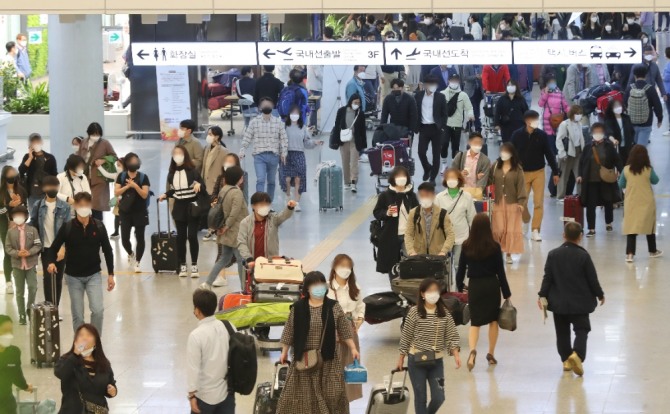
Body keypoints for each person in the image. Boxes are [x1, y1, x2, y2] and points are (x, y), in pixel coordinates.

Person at [277, 271, 358, 414]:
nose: (319, 287)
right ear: (307, 288)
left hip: (327, 360)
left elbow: (344, 330)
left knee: (332, 395)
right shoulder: (298, 307)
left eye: (321, 283)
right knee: (300, 398)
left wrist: (353, 348)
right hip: (303, 360)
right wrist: (284, 352)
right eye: (314, 284)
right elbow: (289, 330)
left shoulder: (333, 307)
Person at [538, 221, 605, 376]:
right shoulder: (583, 256)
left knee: (562, 333)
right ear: (580, 237)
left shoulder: (553, 255)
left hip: (559, 303)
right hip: (580, 303)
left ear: (564, 235)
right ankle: (578, 355)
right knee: (582, 329)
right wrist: (600, 294)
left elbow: (547, 278)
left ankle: (566, 361)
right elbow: (592, 279)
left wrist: (542, 295)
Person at [47, 192, 114, 334]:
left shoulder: (99, 226)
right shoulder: (67, 227)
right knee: (78, 315)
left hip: (93, 275)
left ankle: (94, 342)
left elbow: (108, 251)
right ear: (75, 206)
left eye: (86, 205)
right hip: (73, 277)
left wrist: (111, 274)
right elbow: (53, 248)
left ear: (91, 206)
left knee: (98, 310)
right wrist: (51, 262)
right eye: (80, 205)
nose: (83, 208)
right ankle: (80, 346)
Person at [397, 278, 461, 414]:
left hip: (437, 362)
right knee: (420, 398)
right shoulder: (414, 312)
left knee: (439, 397)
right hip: (416, 360)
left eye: (436, 291)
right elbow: (406, 335)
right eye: (430, 291)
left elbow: (452, 334)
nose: (434, 294)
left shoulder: (444, 313)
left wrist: (456, 354)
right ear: (422, 294)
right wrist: (401, 357)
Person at [457, 213, 511, 371]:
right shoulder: (494, 247)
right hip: (491, 286)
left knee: (475, 322)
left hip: (475, 286)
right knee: (493, 320)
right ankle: (491, 353)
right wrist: (506, 292)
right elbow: (500, 272)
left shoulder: (467, 246)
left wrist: (460, 286)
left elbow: (460, 270)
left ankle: (473, 351)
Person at [511, 110, 560, 242]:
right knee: (522, 202)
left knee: (539, 202)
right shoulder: (517, 135)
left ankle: (535, 230)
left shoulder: (542, 135)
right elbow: (511, 153)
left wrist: (556, 172)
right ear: (527, 121)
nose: (537, 122)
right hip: (522, 173)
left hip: (539, 172)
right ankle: (526, 220)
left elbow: (549, 153)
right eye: (534, 119)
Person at [187, 289, 236, 413]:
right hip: (227, 394)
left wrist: (192, 395)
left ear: (197, 310)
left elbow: (193, 368)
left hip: (204, 397)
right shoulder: (228, 326)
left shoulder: (196, 335)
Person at [158, 146, 204, 277]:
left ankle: (194, 265)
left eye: (180, 153)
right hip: (179, 207)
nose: (177, 155)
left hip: (192, 206)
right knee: (181, 237)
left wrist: (198, 185)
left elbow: (202, 185)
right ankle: (183, 264)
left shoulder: (192, 171)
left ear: (185, 155)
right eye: (175, 153)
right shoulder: (171, 173)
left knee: (192, 236)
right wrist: (166, 194)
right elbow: (175, 190)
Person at [200, 166, 248, 290]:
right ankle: (244, 288)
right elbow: (235, 212)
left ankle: (208, 283)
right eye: (241, 176)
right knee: (240, 260)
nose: (243, 178)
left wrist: (223, 227)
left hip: (225, 230)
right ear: (238, 178)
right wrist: (227, 226)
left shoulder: (224, 189)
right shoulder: (237, 192)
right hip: (236, 231)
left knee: (223, 258)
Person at [326, 254, 365, 402]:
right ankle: (331, 401)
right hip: (331, 329)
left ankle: (345, 404)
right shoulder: (326, 288)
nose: (345, 270)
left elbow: (361, 306)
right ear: (334, 268)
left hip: (350, 329)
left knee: (349, 367)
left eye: (348, 267)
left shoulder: (355, 288)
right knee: (332, 368)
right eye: (342, 266)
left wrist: (359, 320)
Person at [55, 323, 117, 413]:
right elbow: (60, 373)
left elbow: (110, 384)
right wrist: (75, 354)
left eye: (89, 335)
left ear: (95, 341)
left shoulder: (103, 364)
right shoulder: (67, 359)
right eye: (81, 335)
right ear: (75, 340)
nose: (85, 338)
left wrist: (112, 390)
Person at [28, 176, 70, 308]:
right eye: (49, 186)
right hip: (46, 247)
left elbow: (67, 228)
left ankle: (55, 308)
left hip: (60, 248)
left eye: (55, 186)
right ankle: (49, 308)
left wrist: (63, 247)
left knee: (58, 279)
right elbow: (33, 223)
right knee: (48, 277)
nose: (53, 189)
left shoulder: (65, 206)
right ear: (44, 188)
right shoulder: (38, 205)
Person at [577, 123, 623, 237]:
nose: (598, 134)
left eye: (600, 131)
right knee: (590, 205)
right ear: (592, 133)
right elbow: (581, 162)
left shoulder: (609, 146)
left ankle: (608, 222)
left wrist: (621, 171)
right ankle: (591, 228)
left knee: (608, 202)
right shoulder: (588, 146)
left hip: (605, 180)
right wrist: (579, 175)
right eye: (595, 131)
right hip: (591, 181)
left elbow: (617, 160)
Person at [372, 167, 419, 279]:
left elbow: (418, 212)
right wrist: (387, 212)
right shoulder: (385, 195)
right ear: (393, 178)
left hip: (408, 235)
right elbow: (377, 212)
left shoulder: (411, 195)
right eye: (398, 177)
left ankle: (407, 284)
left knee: (410, 260)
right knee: (392, 264)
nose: (401, 179)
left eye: (404, 176)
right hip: (390, 234)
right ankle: (394, 286)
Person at [619, 145, 663, 262]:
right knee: (649, 227)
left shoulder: (626, 169)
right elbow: (656, 180)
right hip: (647, 202)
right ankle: (652, 251)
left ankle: (630, 254)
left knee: (631, 228)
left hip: (631, 202)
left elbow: (621, 184)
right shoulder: (648, 169)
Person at [240, 97, 288, 202]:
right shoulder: (254, 122)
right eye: (264, 104)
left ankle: (268, 203)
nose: (266, 106)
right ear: (260, 107)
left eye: (268, 104)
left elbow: (284, 139)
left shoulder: (278, 122)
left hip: (273, 156)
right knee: (260, 180)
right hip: (259, 156)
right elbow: (247, 137)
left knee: (271, 181)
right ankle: (260, 203)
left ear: (272, 106)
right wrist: (243, 150)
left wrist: (284, 152)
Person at [489, 143, 527, 263]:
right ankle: (498, 252)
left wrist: (521, 202)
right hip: (498, 202)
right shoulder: (495, 166)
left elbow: (521, 186)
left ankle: (509, 254)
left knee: (510, 228)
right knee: (498, 228)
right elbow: (490, 181)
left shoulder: (518, 169)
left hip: (512, 203)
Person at [113, 153, 150, 273]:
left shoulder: (144, 177)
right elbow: (116, 192)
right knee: (124, 238)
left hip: (140, 211)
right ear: (127, 163)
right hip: (125, 211)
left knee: (140, 237)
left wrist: (135, 186)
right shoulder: (121, 176)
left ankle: (138, 262)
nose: (135, 162)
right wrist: (127, 187)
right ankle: (130, 253)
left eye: (136, 160)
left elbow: (144, 194)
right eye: (132, 160)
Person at [4, 206, 41, 325]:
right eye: (16, 215)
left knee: (32, 287)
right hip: (17, 265)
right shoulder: (10, 232)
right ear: (12, 217)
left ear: (26, 216)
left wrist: (29, 252)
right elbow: (7, 248)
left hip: (30, 264)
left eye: (21, 214)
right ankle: (21, 314)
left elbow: (38, 245)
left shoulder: (33, 230)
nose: (18, 217)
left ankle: (30, 308)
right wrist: (17, 253)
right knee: (19, 291)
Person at [280, 106, 321, 211]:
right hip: (286, 154)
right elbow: (279, 141)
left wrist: (315, 143)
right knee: (287, 179)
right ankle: (288, 197)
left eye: (296, 113)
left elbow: (307, 142)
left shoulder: (303, 127)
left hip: (299, 154)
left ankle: (297, 203)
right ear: (289, 114)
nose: (294, 115)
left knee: (299, 179)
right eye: (292, 113)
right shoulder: (284, 127)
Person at [435, 170, 476, 271]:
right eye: (449, 178)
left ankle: (460, 285)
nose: (451, 180)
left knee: (460, 265)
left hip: (462, 236)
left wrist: (474, 237)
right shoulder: (439, 197)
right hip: (444, 237)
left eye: (454, 178)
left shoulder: (467, 197)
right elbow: (435, 219)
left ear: (459, 180)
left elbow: (472, 217)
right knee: (443, 266)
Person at [405, 181, 456, 259]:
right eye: (422, 195)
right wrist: (411, 251)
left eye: (427, 195)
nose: (424, 198)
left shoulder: (442, 213)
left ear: (433, 196)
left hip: (437, 255)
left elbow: (450, 234)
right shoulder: (413, 213)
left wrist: (443, 251)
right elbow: (408, 234)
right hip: (418, 255)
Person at [78, 122, 117, 221]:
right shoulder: (84, 142)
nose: (96, 136)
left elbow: (114, 157)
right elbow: (79, 156)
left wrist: (103, 160)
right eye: (93, 134)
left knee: (97, 205)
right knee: (85, 204)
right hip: (85, 177)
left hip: (99, 177)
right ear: (89, 133)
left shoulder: (105, 143)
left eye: (98, 134)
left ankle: (98, 228)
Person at [415, 75, 448, 183]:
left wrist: (442, 127)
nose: (432, 86)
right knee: (421, 152)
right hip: (424, 128)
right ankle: (427, 168)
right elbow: (415, 111)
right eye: (430, 84)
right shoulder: (418, 96)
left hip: (436, 128)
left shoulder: (440, 97)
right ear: (425, 85)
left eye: (434, 84)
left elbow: (444, 114)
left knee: (436, 155)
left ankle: (433, 177)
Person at [330, 94, 366, 193]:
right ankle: (346, 182)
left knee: (354, 162)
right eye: (355, 102)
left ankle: (353, 182)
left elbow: (363, 130)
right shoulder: (342, 111)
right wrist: (336, 141)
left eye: (358, 103)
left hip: (355, 141)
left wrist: (363, 144)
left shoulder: (360, 114)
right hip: (343, 140)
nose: (357, 104)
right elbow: (337, 126)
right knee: (345, 162)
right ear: (351, 101)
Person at [0, 166, 27, 295]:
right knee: (8, 253)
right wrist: (8, 206)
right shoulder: (1, 192)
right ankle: (8, 282)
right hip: (5, 226)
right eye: (10, 174)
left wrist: (20, 206)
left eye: (14, 174)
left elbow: (26, 209)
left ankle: (18, 279)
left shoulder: (21, 190)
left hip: (19, 226)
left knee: (19, 252)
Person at [0, 315, 33, 414]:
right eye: (5, 331)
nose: (9, 335)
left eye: (11, 331)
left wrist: (25, 386)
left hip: (7, 403)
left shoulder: (14, 352)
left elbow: (16, 374)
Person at [201, 126, 229, 241]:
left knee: (217, 208)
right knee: (209, 208)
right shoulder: (206, 148)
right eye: (208, 134)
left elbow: (226, 169)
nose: (209, 136)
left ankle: (217, 229)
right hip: (205, 183)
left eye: (211, 134)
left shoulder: (223, 151)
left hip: (216, 184)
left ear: (217, 136)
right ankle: (210, 229)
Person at [440, 73, 474, 167]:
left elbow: (469, 107)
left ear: (459, 81)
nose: (454, 82)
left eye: (456, 80)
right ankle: (444, 164)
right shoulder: (442, 94)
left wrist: (470, 115)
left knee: (455, 146)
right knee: (444, 143)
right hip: (445, 124)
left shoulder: (463, 95)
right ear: (448, 81)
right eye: (452, 80)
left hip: (457, 124)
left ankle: (454, 164)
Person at [625, 64, 663, 147]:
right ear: (646, 75)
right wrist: (659, 119)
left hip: (632, 122)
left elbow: (624, 104)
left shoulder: (630, 88)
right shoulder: (650, 88)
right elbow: (657, 105)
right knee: (641, 148)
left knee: (634, 147)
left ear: (634, 75)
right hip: (646, 122)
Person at [18, 133, 58, 212]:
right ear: (30, 144)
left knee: (47, 214)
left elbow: (54, 174)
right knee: (34, 215)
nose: (36, 144)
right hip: (32, 193)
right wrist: (30, 158)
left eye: (38, 141)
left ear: (42, 142)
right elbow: (21, 170)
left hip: (47, 192)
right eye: (33, 142)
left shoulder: (50, 157)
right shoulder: (27, 157)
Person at [555, 105, 586, 201]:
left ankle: (581, 195)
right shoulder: (565, 124)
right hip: (567, 152)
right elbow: (559, 139)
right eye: (577, 113)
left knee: (580, 174)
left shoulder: (579, 124)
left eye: (580, 114)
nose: (579, 115)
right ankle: (560, 196)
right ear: (572, 114)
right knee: (564, 175)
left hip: (578, 151)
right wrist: (562, 152)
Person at [538, 75, 570, 166]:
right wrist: (546, 94)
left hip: (558, 121)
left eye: (553, 82)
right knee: (549, 141)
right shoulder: (543, 92)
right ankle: (551, 159)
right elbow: (540, 104)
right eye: (550, 82)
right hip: (547, 121)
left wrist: (571, 113)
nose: (552, 84)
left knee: (558, 139)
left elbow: (565, 106)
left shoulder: (560, 93)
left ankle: (558, 156)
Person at [604, 100, 635, 166]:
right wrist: (613, 140)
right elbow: (609, 132)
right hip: (617, 147)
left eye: (619, 105)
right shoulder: (609, 120)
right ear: (611, 109)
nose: (618, 107)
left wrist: (632, 141)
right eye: (616, 106)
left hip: (628, 147)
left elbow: (632, 131)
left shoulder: (626, 118)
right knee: (619, 165)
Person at [306, 63, 323, 129]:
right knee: (314, 108)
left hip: (314, 88)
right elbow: (319, 74)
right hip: (314, 88)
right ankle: (312, 125)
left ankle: (312, 125)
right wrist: (327, 80)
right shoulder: (315, 62)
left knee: (314, 108)